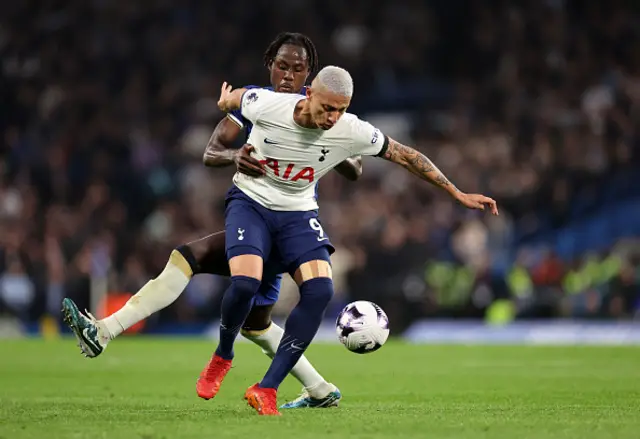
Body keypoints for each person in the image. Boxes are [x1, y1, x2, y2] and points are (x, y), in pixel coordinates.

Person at [61, 33, 360, 410]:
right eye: (282, 65)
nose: (288, 75)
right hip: (253, 217)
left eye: (298, 69)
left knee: (209, 273)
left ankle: (106, 331)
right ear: (270, 63)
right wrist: (235, 156)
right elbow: (212, 151)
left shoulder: (322, 110)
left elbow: (356, 166)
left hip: (290, 226)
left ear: (310, 76)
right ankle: (318, 388)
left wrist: (333, 138)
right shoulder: (255, 102)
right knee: (233, 301)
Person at [211, 66, 499, 416]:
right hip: (252, 203)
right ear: (309, 95)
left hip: (298, 212)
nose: (333, 117)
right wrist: (228, 100)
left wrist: (456, 193)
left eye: (341, 110)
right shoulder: (270, 105)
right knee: (244, 285)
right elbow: (241, 97)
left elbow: (408, 156)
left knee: (320, 291)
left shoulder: (351, 129)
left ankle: (266, 388)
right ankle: (223, 354)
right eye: (328, 108)